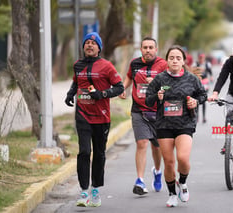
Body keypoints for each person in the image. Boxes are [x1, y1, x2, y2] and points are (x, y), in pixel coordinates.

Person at [64, 32, 124, 207]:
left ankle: (95, 189)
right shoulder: (77, 65)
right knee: (84, 151)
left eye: (93, 43)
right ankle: (83, 191)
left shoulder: (107, 66)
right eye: (87, 43)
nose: (89, 45)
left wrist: (102, 94)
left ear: (99, 48)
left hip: (102, 116)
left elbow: (119, 88)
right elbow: (76, 82)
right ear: (83, 47)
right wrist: (70, 94)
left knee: (99, 154)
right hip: (82, 114)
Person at [145, 45, 207, 207]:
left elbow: (202, 95)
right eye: (171, 58)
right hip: (164, 124)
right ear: (166, 60)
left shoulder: (191, 79)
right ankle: (172, 193)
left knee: (183, 159)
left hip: (185, 123)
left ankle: (183, 183)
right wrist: (157, 96)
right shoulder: (159, 79)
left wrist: (195, 101)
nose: (174, 60)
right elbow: (148, 100)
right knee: (169, 162)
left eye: (178, 58)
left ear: (183, 61)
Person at [119, 37, 167, 195]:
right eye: (145, 47)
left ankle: (158, 171)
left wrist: (157, 82)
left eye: (151, 47)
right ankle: (140, 180)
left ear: (156, 49)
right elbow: (129, 77)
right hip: (139, 110)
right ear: (141, 49)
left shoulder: (163, 65)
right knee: (142, 143)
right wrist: (123, 88)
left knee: (156, 146)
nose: (148, 50)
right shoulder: (134, 63)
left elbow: (170, 85)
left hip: (158, 111)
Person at [195, 53, 213, 123]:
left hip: (205, 82)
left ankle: (204, 117)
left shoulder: (207, 64)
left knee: (204, 100)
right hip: (198, 82)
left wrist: (211, 77)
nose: (201, 59)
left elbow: (210, 71)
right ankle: (197, 117)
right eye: (200, 58)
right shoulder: (196, 64)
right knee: (197, 100)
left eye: (202, 58)